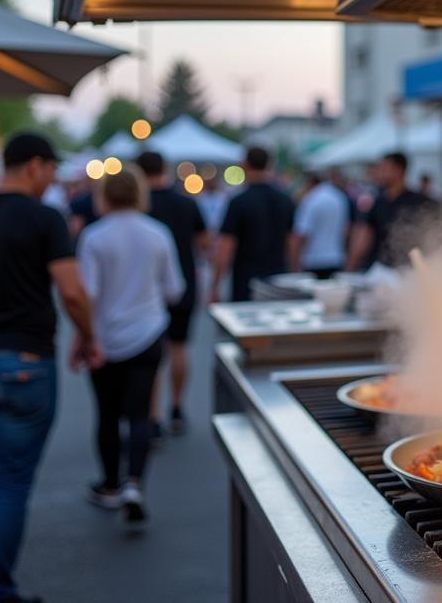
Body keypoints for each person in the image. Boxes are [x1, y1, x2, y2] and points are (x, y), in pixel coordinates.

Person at [0, 132, 100, 603]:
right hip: (23, 363)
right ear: (34, 166)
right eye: (50, 169)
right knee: (9, 483)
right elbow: (71, 290)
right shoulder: (46, 219)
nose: (52, 179)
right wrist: (87, 335)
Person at [76, 166, 184, 528]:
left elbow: (87, 294)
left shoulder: (94, 236)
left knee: (107, 415)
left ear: (104, 194)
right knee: (140, 414)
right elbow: (175, 289)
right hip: (149, 332)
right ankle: (134, 484)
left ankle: (109, 484)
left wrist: (83, 337)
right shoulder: (158, 234)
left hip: (105, 337)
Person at [134, 151, 208, 435]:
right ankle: (176, 407)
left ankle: (151, 417)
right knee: (179, 348)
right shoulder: (186, 203)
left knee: (150, 354)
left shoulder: (140, 206)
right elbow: (204, 243)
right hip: (183, 284)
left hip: (146, 288)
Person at [211, 147, 295, 302]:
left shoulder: (238, 202)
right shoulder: (285, 200)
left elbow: (226, 247)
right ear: (269, 165)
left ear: (245, 164)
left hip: (246, 281)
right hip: (278, 279)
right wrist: (294, 274)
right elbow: (293, 242)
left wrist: (215, 285)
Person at [347, 152, 439, 270]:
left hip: (411, 271)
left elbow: (434, 237)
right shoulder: (378, 202)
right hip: (382, 269)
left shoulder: (420, 202)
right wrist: (351, 264)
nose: (380, 173)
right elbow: (364, 235)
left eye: (385, 168)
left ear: (399, 170)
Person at [290, 170, 350, 277]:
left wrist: (294, 264)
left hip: (314, 260)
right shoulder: (339, 197)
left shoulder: (311, 199)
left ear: (309, 182)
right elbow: (346, 228)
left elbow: (301, 233)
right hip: (336, 258)